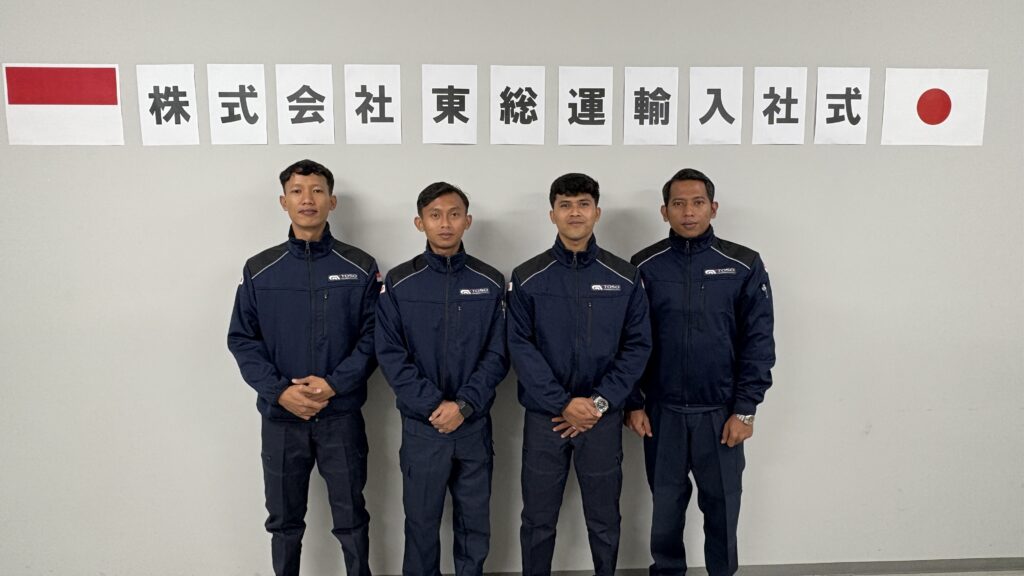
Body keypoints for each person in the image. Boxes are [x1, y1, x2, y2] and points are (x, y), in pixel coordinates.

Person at [228, 159, 379, 576]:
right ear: (284, 201)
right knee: (284, 521)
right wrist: (280, 392)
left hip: (340, 417)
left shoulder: (359, 266)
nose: (307, 199)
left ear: (332, 201)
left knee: (351, 516)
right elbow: (242, 339)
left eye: (316, 191)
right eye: (297, 191)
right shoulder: (260, 269)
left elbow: (374, 338)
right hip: (282, 419)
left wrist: (334, 385)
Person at [627, 168, 775, 576]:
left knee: (723, 510)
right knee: (665, 513)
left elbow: (759, 341)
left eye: (697, 203)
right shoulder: (644, 265)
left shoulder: (743, 264)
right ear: (664, 211)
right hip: (662, 414)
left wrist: (745, 409)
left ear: (713, 207)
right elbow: (630, 340)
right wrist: (633, 402)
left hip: (721, 414)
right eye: (678, 204)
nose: (688, 212)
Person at [507, 173, 652, 576]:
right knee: (537, 519)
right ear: (552, 214)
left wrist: (598, 404)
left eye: (583, 204)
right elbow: (520, 346)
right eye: (566, 205)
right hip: (546, 419)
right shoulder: (528, 276)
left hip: (601, 420)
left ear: (597, 212)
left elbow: (637, 346)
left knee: (604, 519)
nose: (575, 213)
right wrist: (562, 404)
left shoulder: (624, 276)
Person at [375, 182, 508, 576]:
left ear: (468, 221)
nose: (445, 223)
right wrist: (434, 406)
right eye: (435, 215)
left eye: (454, 214)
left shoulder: (490, 282)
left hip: (473, 426)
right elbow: (390, 354)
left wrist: (463, 406)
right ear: (420, 223)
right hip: (423, 428)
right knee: (420, 525)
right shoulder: (399, 283)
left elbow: (498, 353)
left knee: (474, 526)